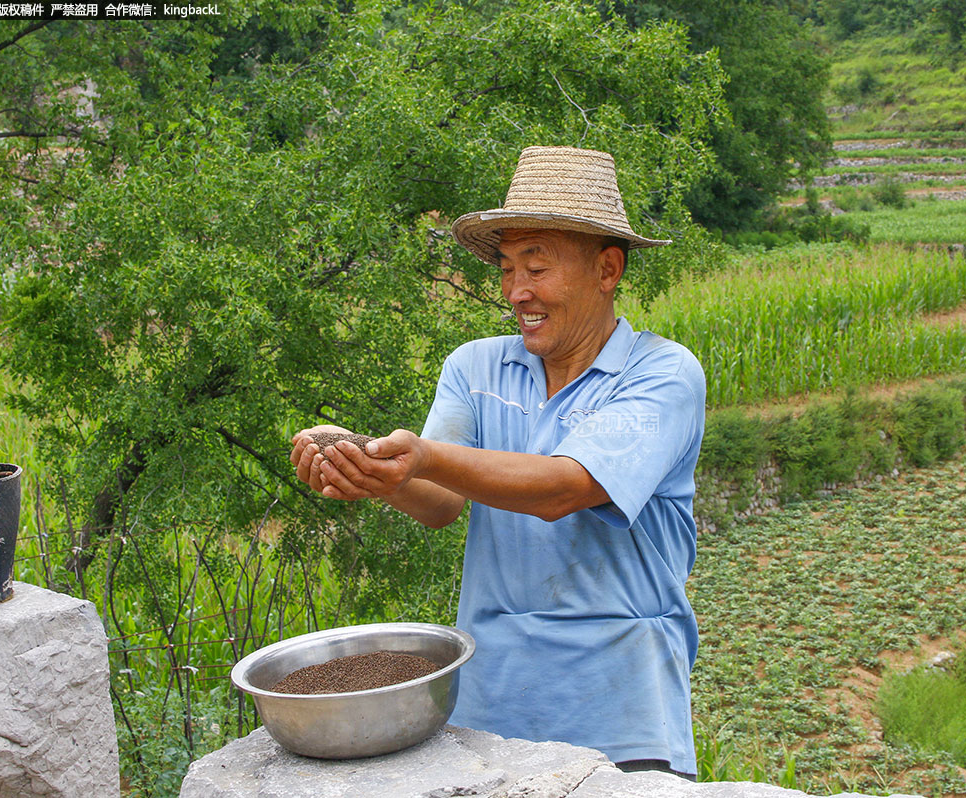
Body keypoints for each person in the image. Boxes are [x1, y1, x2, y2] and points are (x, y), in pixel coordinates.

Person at [289, 145, 706, 778]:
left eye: (537, 268)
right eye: (508, 269)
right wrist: (374, 469)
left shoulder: (661, 374)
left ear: (608, 269)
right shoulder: (474, 366)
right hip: (492, 707)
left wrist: (424, 455)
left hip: (621, 708)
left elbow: (563, 488)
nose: (517, 292)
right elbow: (438, 501)